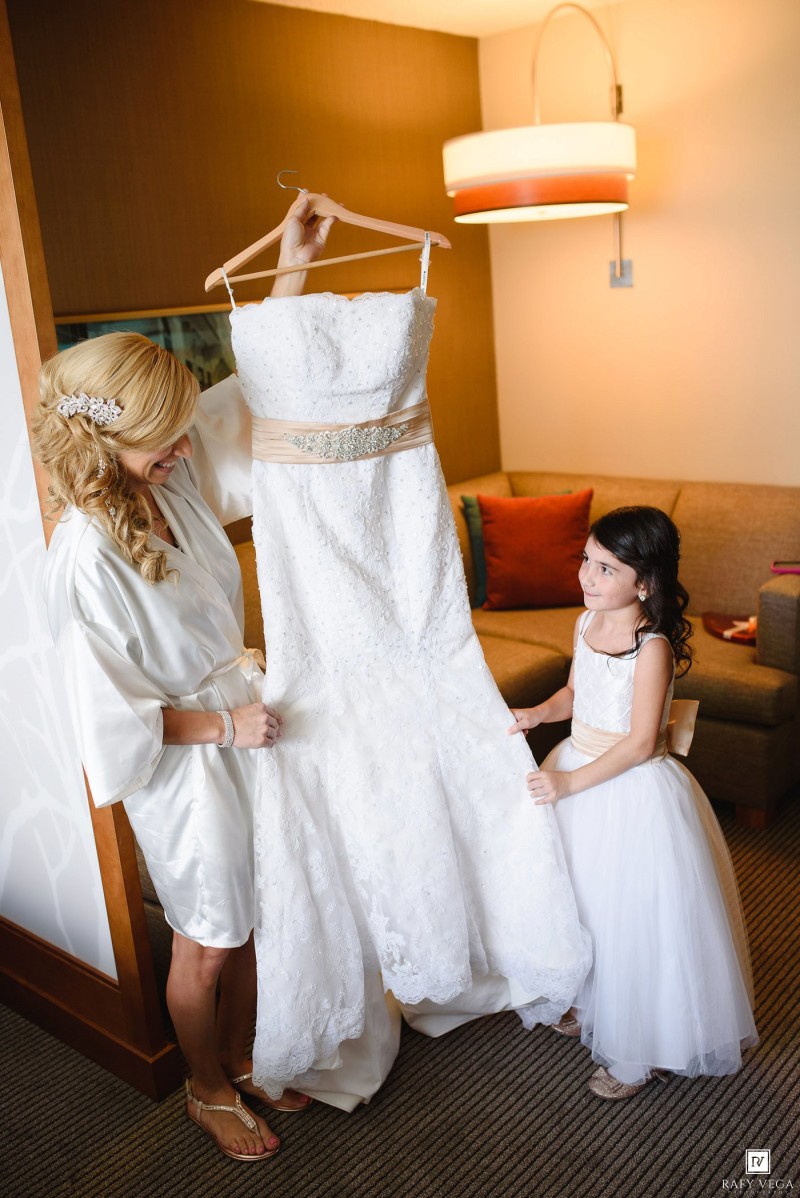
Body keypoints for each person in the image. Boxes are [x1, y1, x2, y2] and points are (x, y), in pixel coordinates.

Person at [32, 198, 335, 1161]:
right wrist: (225, 731)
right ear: (99, 440)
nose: (183, 446)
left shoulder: (166, 477)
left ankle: (245, 1057)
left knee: (254, 914)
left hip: (240, 716)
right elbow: (106, 716)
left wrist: (291, 262)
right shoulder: (83, 557)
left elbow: (245, 398)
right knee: (207, 934)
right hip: (184, 757)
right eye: (163, 436)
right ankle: (205, 1087)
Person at [509, 506, 758, 1100]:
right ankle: (591, 1000)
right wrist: (540, 714)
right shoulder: (585, 622)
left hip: (627, 784)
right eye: (586, 562)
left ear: (644, 582)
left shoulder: (651, 648)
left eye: (605, 569)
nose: (587, 579)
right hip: (577, 759)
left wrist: (570, 784)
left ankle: (641, 1045)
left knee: (635, 919)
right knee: (582, 898)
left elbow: (643, 741)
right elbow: (577, 690)